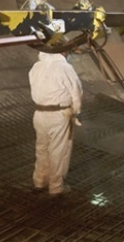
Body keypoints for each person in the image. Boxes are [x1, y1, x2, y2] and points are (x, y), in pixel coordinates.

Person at [28, 51, 83, 196]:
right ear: (64, 52)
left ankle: (39, 181)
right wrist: (76, 111)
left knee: (42, 148)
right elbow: (76, 92)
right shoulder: (65, 68)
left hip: (39, 113)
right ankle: (56, 187)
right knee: (58, 151)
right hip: (59, 114)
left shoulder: (36, 66)